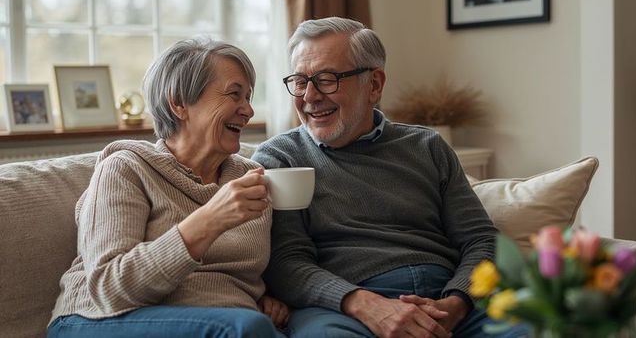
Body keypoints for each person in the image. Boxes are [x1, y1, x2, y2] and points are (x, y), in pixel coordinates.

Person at [252, 17, 528, 338]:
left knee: (543, 328)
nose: (310, 96)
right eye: (300, 81)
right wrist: (366, 305)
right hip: (344, 307)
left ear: (374, 85)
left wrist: (457, 303)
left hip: (448, 300)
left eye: (327, 79)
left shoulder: (428, 146)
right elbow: (286, 262)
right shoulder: (279, 158)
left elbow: (481, 240)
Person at [47, 38, 289, 338]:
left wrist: (259, 299)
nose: (248, 111)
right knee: (244, 328)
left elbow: (234, 276)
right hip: (96, 318)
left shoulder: (250, 177)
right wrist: (209, 220)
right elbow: (109, 288)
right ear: (179, 103)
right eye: (234, 95)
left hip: (215, 322)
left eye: (249, 98)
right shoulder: (126, 168)